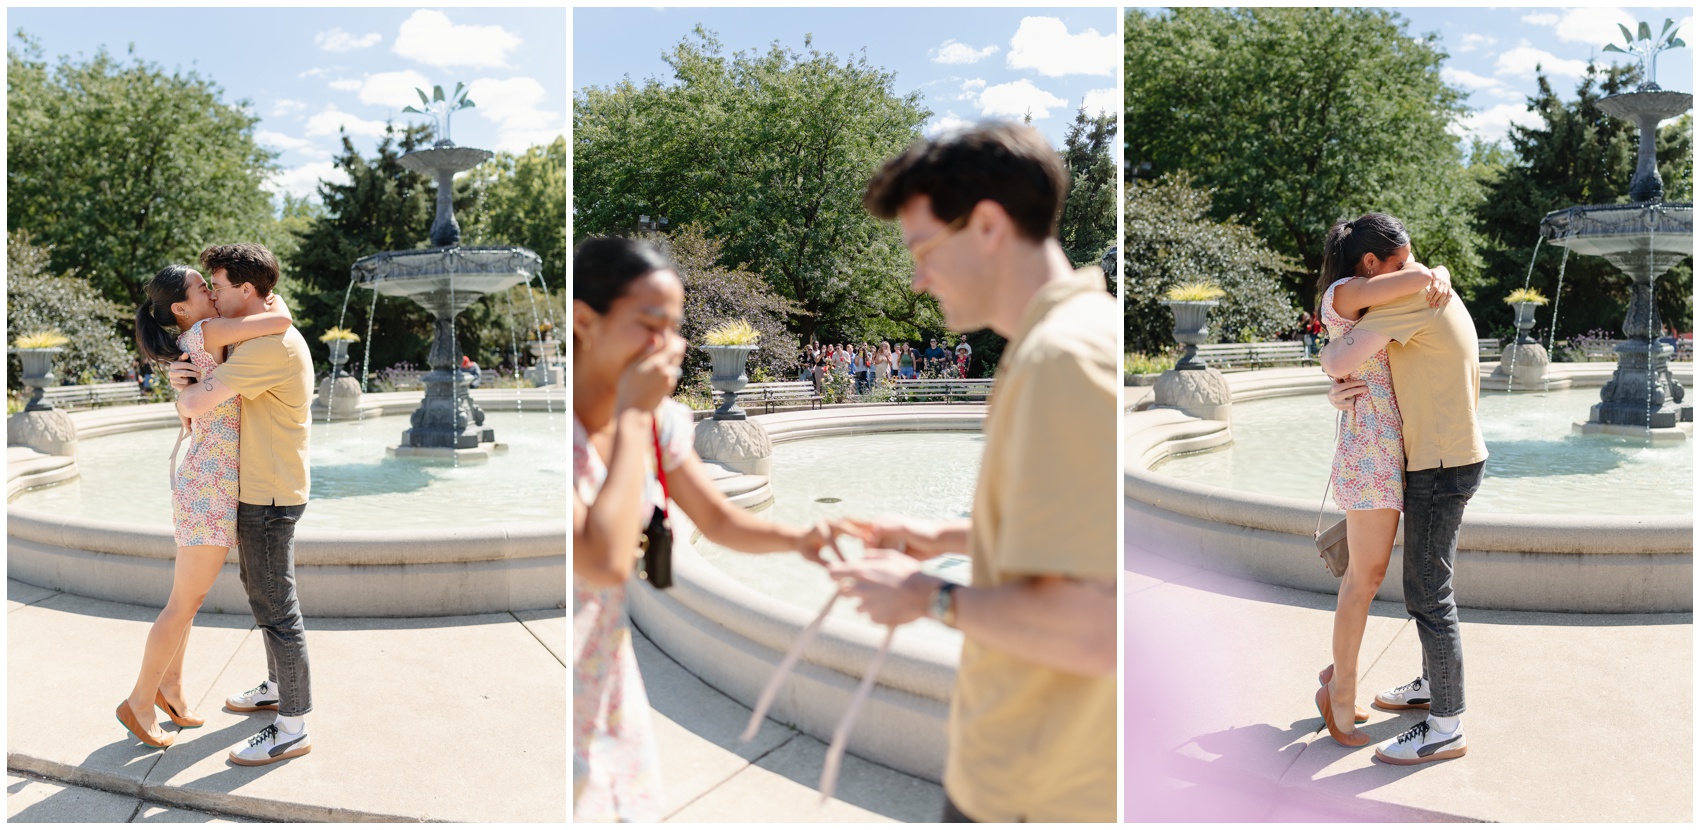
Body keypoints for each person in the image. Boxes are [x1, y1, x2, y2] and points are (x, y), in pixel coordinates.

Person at [828, 122, 1117, 822]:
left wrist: (925, 596)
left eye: (922, 248)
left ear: (987, 225)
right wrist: (943, 537)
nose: (917, 278)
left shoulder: (1061, 361)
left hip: (1034, 791)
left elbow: (1100, 629)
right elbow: (1085, 549)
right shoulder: (1063, 340)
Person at [571, 237, 843, 821]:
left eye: (674, 326)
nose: (668, 346)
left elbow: (718, 520)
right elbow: (601, 560)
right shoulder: (563, 429)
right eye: (650, 324)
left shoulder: (659, 421)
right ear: (584, 321)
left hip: (609, 683)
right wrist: (631, 416)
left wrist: (803, 539)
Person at [1320, 212, 1487, 767]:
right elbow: (1336, 357)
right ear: (1372, 265)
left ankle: (1445, 724)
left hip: (1436, 461)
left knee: (1427, 592)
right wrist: (1430, 269)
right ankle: (1420, 686)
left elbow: (1338, 358)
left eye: (1414, 261)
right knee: (1415, 585)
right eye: (1402, 262)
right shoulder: (1402, 293)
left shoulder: (1412, 297)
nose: (1411, 269)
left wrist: (1422, 273)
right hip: (1421, 457)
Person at [120, 264, 296, 750]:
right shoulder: (207, 329)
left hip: (208, 476)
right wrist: (270, 296)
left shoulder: (194, 337)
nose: (212, 293)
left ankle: (170, 689)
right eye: (204, 288)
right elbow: (278, 321)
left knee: (190, 601)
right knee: (182, 602)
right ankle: (137, 701)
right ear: (181, 308)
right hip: (209, 481)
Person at [168, 243, 316, 766]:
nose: (213, 294)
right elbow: (196, 383)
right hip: (262, 486)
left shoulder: (267, 347)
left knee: (277, 610)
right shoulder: (260, 334)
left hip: (268, 493)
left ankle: (293, 726)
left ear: (247, 290)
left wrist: (185, 391)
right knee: (264, 594)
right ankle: (277, 688)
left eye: (221, 286)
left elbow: (198, 402)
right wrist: (182, 378)